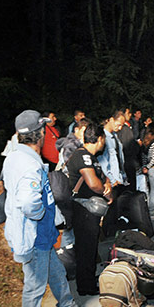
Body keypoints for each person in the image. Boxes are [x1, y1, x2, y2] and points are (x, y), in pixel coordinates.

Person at [3, 110, 98, 307]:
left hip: (42, 233)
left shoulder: (15, 156)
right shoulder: (27, 163)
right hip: (34, 235)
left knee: (56, 273)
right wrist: (40, 215)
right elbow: (28, 203)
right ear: (39, 134)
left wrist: (53, 218)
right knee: (34, 283)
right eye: (44, 129)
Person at [66, 121, 113, 296]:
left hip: (88, 209)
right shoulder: (83, 156)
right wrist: (106, 193)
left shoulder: (91, 158)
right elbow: (94, 184)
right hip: (82, 210)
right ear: (100, 139)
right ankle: (85, 286)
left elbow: (101, 176)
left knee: (90, 246)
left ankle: (88, 279)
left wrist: (107, 183)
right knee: (86, 248)